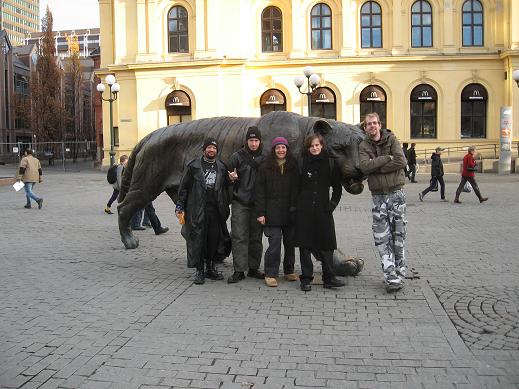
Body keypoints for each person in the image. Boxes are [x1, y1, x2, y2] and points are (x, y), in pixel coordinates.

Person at [358, 113, 408, 291]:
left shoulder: (391, 139)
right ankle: (391, 276)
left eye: (374, 123)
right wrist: (387, 159)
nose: (372, 126)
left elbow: (401, 161)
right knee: (381, 237)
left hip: (396, 194)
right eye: (368, 124)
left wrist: (376, 167)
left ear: (380, 125)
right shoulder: (363, 145)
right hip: (378, 197)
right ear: (365, 128)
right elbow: (364, 167)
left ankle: (400, 271)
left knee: (398, 235)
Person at [175, 138, 231, 285]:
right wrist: (180, 206)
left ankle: (210, 268)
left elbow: (227, 187)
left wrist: (232, 180)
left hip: (216, 210)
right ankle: (199, 270)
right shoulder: (193, 166)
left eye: (214, 148)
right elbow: (183, 188)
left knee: (213, 240)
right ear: (204, 150)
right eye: (209, 148)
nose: (211, 150)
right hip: (197, 209)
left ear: (217, 151)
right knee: (198, 240)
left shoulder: (222, 167)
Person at [295, 134, 345, 292]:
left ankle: (329, 278)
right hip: (305, 211)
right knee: (305, 245)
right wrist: (295, 207)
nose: (315, 148)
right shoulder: (302, 162)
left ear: (322, 145)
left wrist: (332, 205)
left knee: (327, 245)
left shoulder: (331, 163)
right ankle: (306, 279)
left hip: (324, 210)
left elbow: (337, 188)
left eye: (317, 145)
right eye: (312, 146)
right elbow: (295, 187)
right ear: (308, 148)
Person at [255, 137, 299, 287]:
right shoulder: (265, 167)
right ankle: (270, 273)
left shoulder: (293, 166)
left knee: (290, 243)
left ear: (287, 149)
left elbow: (296, 189)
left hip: (289, 212)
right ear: (273, 150)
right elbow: (259, 191)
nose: (281, 150)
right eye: (278, 147)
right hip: (271, 212)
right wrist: (260, 213)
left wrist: (295, 208)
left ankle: (289, 270)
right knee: (274, 243)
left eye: (284, 147)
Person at [227, 126, 266, 283]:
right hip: (240, 203)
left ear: (260, 141)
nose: (254, 144)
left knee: (256, 237)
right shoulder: (237, 157)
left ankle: (253, 268)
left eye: (256, 140)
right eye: (251, 140)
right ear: (246, 141)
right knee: (239, 236)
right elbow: (228, 178)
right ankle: (239, 270)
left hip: (258, 205)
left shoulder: (265, 157)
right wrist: (231, 178)